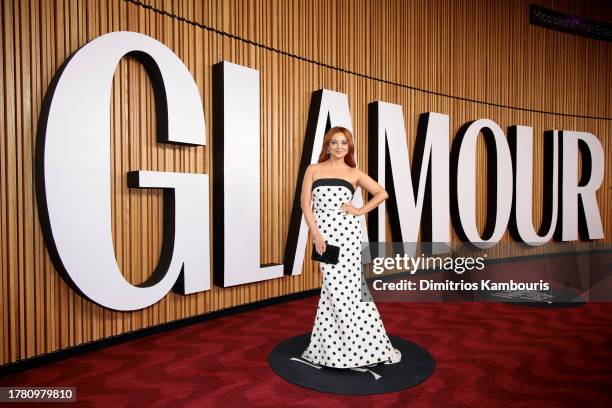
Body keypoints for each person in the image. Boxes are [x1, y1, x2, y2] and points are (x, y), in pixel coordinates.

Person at [299, 125, 402, 368]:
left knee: (350, 288)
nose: (339, 147)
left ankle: (362, 346)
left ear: (349, 146)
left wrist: (359, 210)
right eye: (334, 142)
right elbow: (305, 205)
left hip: (348, 236)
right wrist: (316, 235)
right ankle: (338, 346)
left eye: (343, 143)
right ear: (327, 145)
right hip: (324, 237)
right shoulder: (313, 169)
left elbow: (382, 193)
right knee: (333, 289)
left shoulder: (354, 173)